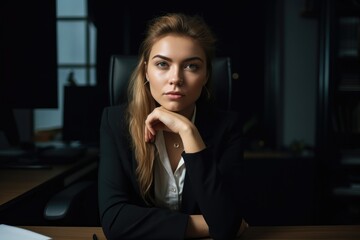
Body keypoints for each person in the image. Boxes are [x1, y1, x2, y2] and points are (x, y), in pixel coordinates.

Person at [98, 12, 248, 240]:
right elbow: (115, 220)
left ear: (206, 74)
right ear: (146, 70)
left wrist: (188, 132)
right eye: (162, 64)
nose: (175, 78)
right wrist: (206, 225)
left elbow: (226, 227)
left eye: (191, 67)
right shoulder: (115, 122)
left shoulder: (228, 127)